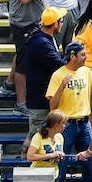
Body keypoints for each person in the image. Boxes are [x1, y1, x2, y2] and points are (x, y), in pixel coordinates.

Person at [46, 41, 92, 182]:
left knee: (90, 171)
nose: (86, 57)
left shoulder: (86, 71)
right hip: (65, 126)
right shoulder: (58, 75)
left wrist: (89, 111)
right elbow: (52, 106)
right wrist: (62, 86)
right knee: (60, 170)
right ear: (72, 56)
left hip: (84, 124)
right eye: (83, 54)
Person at [9, 0, 56, 115]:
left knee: (24, 58)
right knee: (23, 65)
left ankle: (8, 84)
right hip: (25, 23)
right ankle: (20, 104)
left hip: (35, 22)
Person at [23, 7, 66, 141]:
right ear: (55, 24)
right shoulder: (41, 43)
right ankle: (25, 160)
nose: (63, 24)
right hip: (40, 100)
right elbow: (59, 65)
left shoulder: (44, 38)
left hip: (41, 97)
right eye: (61, 21)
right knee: (36, 138)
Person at [26, 110, 67, 179]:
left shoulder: (60, 137)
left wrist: (60, 156)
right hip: (39, 175)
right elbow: (30, 157)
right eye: (63, 123)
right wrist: (50, 155)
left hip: (54, 175)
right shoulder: (38, 136)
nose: (65, 126)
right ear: (56, 125)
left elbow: (59, 153)